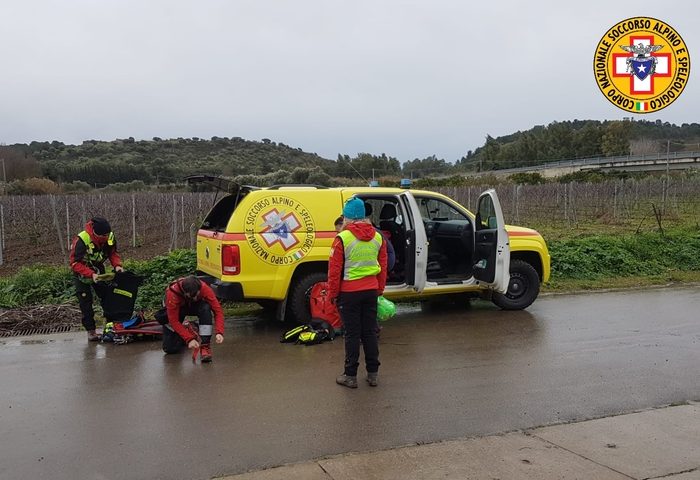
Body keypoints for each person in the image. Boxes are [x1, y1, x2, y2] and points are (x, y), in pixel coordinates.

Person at [328, 197, 388, 388]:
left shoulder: (342, 239)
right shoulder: (378, 237)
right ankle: (373, 374)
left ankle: (350, 375)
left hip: (349, 293)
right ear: (363, 216)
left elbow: (334, 271)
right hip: (370, 291)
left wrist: (333, 294)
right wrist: (379, 289)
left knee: (352, 334)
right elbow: (383, 267)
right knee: (370, 332)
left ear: (347, 217)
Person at [69, 217, 124, 341]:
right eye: (103, 236)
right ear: (95, 233)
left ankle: (111, 327)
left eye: (107, 235)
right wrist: (90, 274)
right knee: (85, 302)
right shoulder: (82, 239)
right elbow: (75, 263)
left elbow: (113, 253)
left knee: (107, 297)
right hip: (81, 274)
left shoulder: (110, 237)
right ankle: (91, 332)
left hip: (99, 270)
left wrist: (117, 265)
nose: (106, 237)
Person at [160, 275, 225, 363]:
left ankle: (205, 346)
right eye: (192, 296)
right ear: (184, 291)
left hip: (195, 307)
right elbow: (173, 321)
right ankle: (187, 330)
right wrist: (189, 339)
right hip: (178, 309)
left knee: (205, 308)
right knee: (170, 349)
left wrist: (219, 332)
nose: (195, 298)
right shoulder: (172, 294)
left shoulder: (204, 288)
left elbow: (218, 311)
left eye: (197, 294)